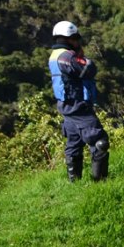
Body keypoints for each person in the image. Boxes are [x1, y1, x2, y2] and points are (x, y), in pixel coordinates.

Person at [48, 20, 109, 182]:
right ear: (67, 38)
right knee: (100, 141)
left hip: (66, 104)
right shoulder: (67, 57)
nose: (78, 41)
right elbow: (89, 69)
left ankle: (74, 183)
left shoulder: (54, 55)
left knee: (74, 143)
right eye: (75, 38)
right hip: (77, 105)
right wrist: (84, 58)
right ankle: (100, 183)